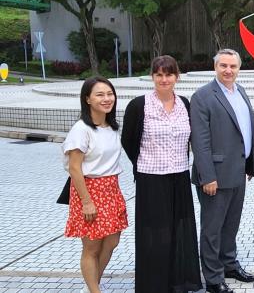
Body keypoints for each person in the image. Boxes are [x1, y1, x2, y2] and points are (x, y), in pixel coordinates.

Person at [121, 55, 202, 293]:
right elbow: (128, 141)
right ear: (152, 76)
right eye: (159, 74)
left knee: (179, 229)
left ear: (176, 77)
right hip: (151, 178)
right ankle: (154, 284)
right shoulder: (139, 105)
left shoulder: (185, 104)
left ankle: (178, 281)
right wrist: (144, 162)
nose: (164, 79)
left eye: (168, 74)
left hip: (179, 176)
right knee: (154, 232)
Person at [190, 48, 254, 293]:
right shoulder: (202, 96)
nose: (228, 70)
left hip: (238, 172)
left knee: (231, 225)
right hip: (215, 177)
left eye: (233, 66)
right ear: (215, 67)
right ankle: (213, 278)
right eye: (223, 66)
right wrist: (207, 176)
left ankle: (229, 264)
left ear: (239, 69)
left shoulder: (240, 91)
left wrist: (250, 163)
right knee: (212, 229)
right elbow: (200, 141)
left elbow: (245, 131)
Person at [62, 77, 128, 293]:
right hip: (89, 191)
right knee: (91, 246)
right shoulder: (81, 129)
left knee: (112, 241)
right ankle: (94, 290)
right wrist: (87, 202)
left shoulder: (111, 127)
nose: (107, 98)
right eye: (100, 94)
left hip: (111, 189)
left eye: (110, 94)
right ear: (87, 99)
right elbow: (74, 168)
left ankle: (92, 285)